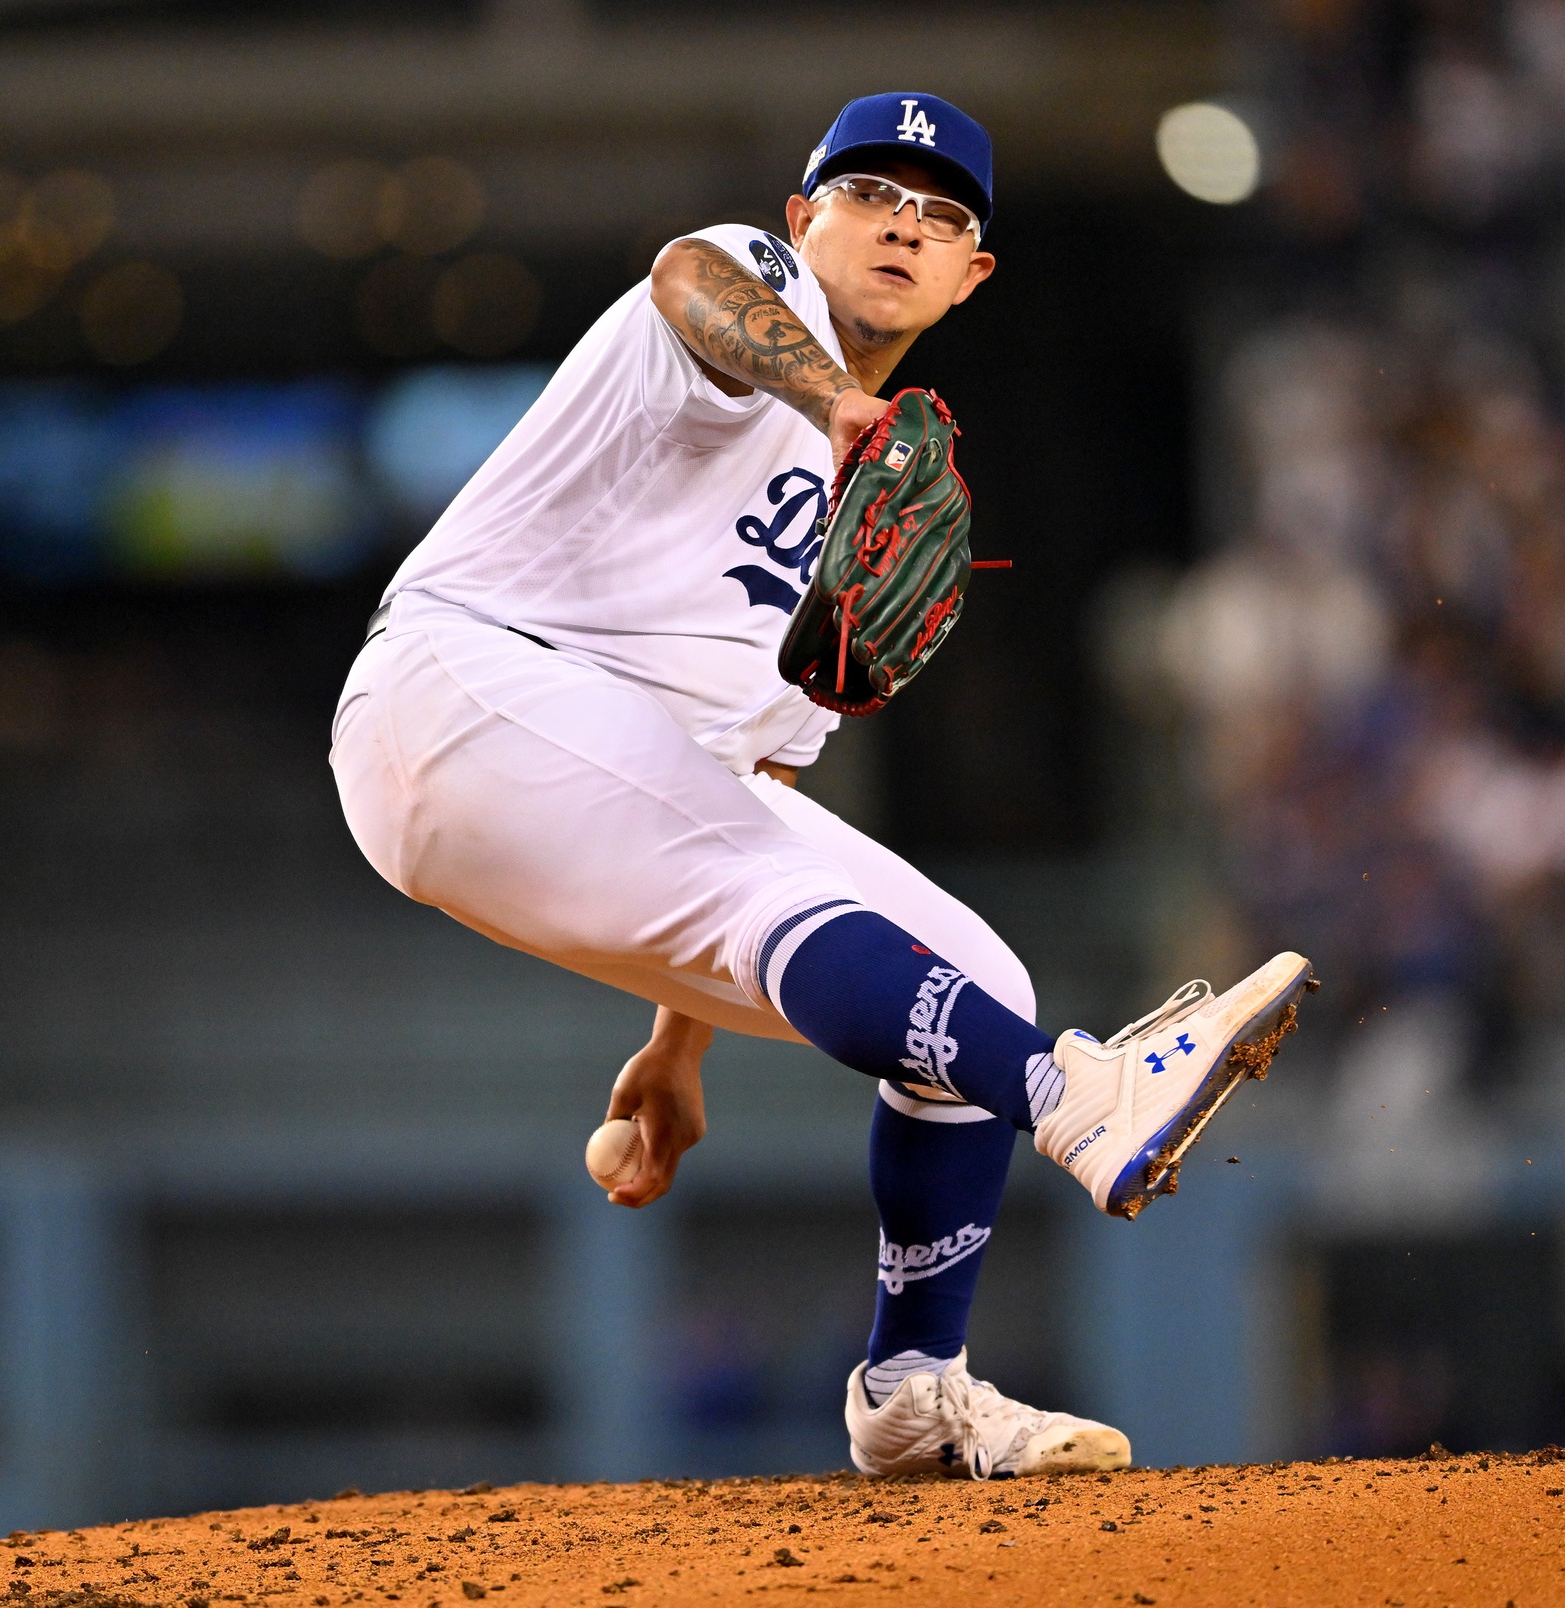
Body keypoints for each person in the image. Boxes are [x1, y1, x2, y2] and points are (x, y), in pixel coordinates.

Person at [331, 91, 1311, 1478]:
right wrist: (843, 404)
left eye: (942, 213)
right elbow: (688, 281)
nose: (903, 221)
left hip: (572, 761)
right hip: (453, 687)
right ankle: (1072, 1100)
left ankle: (914, 1386)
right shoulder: (751, 288)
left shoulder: (877, 509)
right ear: (806, 220)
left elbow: (726, 784)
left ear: (973, 276)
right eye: (869, 193)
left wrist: (677, 1045)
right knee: (877, 959)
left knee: (975, 975)